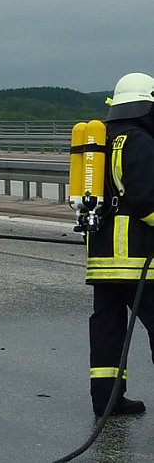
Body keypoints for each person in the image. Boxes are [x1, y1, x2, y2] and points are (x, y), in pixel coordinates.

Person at [85, 72, 154, 417]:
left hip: (101, 255)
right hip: (135, 255)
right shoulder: (140, 140)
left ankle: (106, 400)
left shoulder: (104, 139)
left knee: (108, 327)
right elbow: (145, 200)